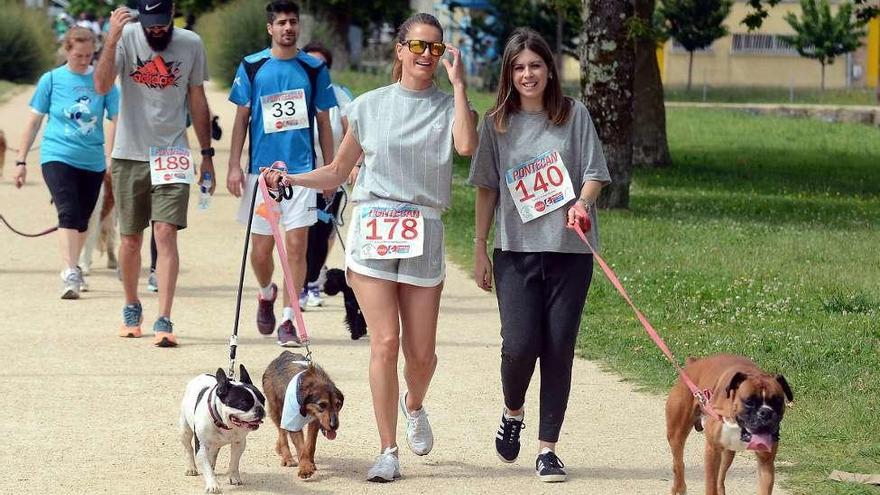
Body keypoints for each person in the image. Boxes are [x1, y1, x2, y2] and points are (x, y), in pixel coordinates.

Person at [263, 12, 478, 482]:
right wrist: (292, 177)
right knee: (384, 342)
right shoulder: (366, 106)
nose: (426, 56)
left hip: (424, 229)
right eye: (417, 46)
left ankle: (413, 403)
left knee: (421, 356)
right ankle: (388, 449)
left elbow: (465, 146)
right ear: (399, 50)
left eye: (435, 49)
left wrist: (459, 86)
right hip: (374, 227)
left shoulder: (450, 108)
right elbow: (338, 172)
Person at [468, 27, 611, 482]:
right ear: (509, 73)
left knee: (558, 349)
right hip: (515, 252)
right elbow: (486, 188)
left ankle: (548, 448)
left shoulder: (574, 115)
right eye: (518, 67)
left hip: (570, 252)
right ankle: (513, 413)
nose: (527, 74)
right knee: (519, 345)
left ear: (550, 70)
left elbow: (594, 173)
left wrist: (582, 203)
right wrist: (479, 247)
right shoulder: (495, 123)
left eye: (535, 65)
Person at [94, 0, 215, 347]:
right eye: (151, 23)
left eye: (163, 22)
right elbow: (102, 86)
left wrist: (206, 154)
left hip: (172, 151)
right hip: (129, 152)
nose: (157, 29)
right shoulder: (127, 37)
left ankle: (164, 315)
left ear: (172, 13)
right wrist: (112, 39)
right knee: (131, 238)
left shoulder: (191, 43)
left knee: (165, 233)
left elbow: (197, 98)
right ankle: (131, 305)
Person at [226, 0, 337, 346]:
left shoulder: (313, 69)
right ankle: (266, 292)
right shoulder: (252, 66)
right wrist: (233, 165)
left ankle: (290, 318)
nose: (288, 28)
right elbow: (242, 118)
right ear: (270, 28)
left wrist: (331, 172)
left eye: (293, 22)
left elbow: (323, 122)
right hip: (262, 176)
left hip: (301, 174)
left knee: (296, 246)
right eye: (282, 23)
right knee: (261, 251)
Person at [13, 27, 119, 300]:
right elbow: (34, 121)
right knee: (69, 212)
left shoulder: (103, 81)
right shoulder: (51, 80)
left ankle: (76, 267)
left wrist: (111, 156)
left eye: (89, 55)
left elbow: (116, 119)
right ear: (67, 51)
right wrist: (21, 159)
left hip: (93, 160)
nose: (85, 60)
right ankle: (70, 270)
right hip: (57, 155)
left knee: (82, 219)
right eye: (79, 55)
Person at [299, 40, 355, 309]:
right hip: (298, 175)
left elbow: (352, 131)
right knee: (300, 232)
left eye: (319, 64)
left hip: (330, 176)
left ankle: (312, 281)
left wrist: (354, 165)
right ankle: (300, 283)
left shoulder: (339, 95)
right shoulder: (294, 91)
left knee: (322, 232)